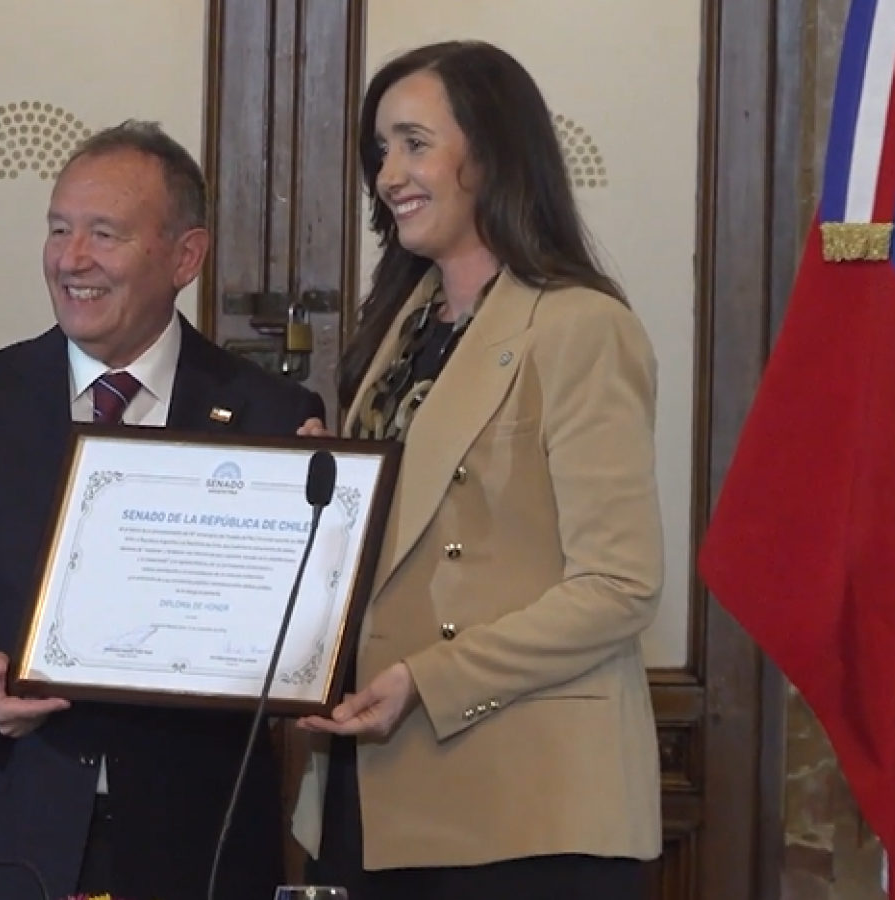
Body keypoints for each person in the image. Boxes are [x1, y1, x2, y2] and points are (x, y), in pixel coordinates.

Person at [0, 120, 326, 900]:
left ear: (185, 256)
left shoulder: (271, 416)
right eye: (59, 230)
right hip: (14, 840)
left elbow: (305, 643)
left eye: (103, 234)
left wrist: (328, 526)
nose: (71, 260)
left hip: (198, 848)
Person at [287, 41, 665, 900]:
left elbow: (621, 584)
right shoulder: (398, 328)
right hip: (369, 787)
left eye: (416, 143)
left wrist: (429, 680)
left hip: (522, 811)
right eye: (380, 150)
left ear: (491, 154)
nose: (390, 174)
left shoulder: (580, 327)